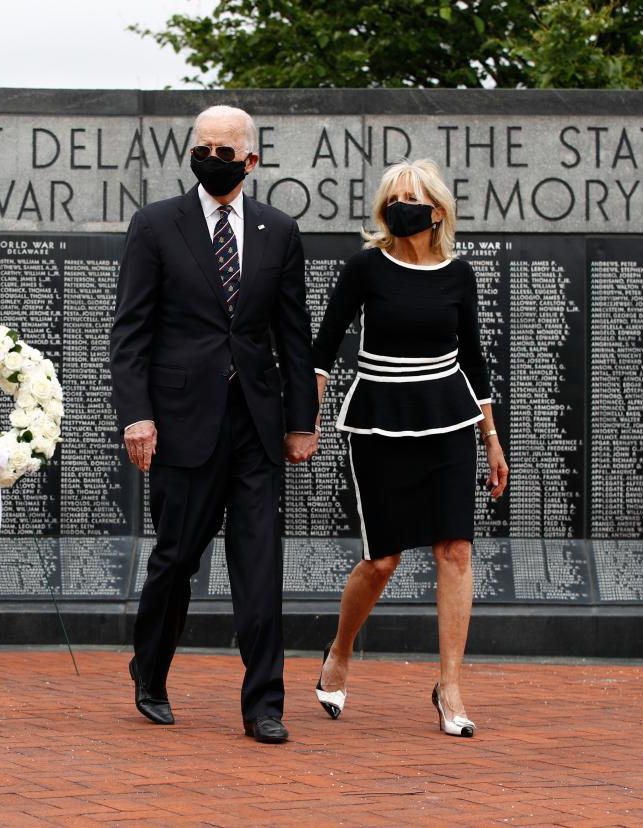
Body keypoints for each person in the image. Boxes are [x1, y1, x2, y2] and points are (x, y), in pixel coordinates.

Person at [110, 105, 319, 744]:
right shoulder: (155, 225)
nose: (214, 159)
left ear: (251, 161)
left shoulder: (279, 231)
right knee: (175, 560)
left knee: (259, 565)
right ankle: (150, 671)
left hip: (255, 425)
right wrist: (137, 415)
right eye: (204, 148)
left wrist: (302, 421)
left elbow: (293, 332)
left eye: (226, 151)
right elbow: (131, 332)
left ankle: (264, 705)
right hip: (181, 424)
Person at [310, 159, 509, 737]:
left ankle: (449, 686)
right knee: (384, 559)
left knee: (455, 551)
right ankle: (341, 652)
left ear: (436, 210)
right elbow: (323, 349)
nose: (399, 206)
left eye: (410, 197)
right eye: (391, 197)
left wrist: (491, 438)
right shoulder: (365, 267)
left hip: (449, 418)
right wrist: (308, 416)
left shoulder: (459, 274)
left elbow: (473, 359)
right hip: (379, 420)